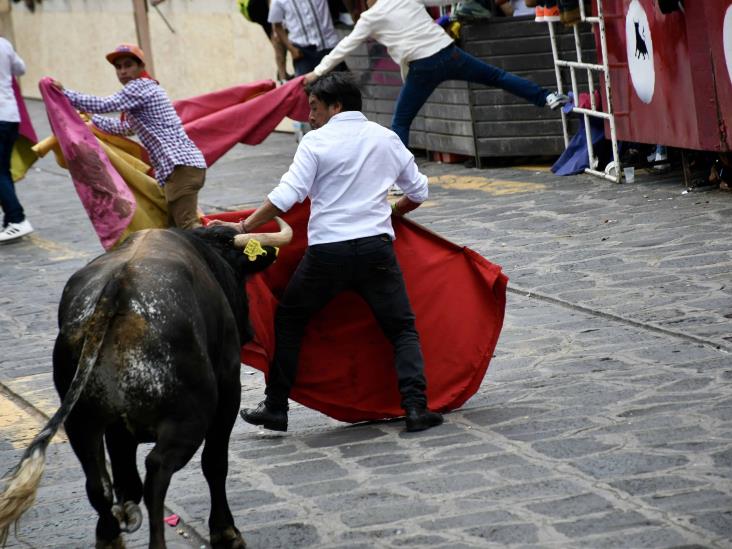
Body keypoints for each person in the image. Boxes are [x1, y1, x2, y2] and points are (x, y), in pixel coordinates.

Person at [217, 72, 443, 433]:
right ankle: (416, 408)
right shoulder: (386, 138)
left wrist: (244, 228)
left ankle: (276, 406)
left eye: (315, 107)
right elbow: (418, 191)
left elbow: (286, 196)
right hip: (375, 251)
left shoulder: (316, 142)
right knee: (401, 329)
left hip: (327, 255)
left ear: (336, 106)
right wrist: (392, 211)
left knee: (290, 322)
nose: (310, 116)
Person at [303, 0, 569, 148]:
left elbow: (345, 47)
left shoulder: (369, 18)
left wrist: (316, 72)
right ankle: (547, 98)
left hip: (423, 68)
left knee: (402, 122)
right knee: (498, 77)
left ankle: (396, 178)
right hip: (448, 53)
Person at [53, 44, 207, 229]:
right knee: (175, 229)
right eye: (118, 67)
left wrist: (64, 94)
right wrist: (92, 121)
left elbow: (105, 104)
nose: (123, 71)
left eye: (128, 65)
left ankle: (244, 248)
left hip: (181, 167)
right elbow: (126, 128)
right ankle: (235, 240)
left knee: (188, 228)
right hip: (178, 168)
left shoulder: (139, 87)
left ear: (141, 67)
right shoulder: (144, 89)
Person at [0, 37, 33, 243]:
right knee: (3, 170)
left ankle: (16, 219)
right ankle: (10, 221)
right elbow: (20, 69)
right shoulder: (4, 44)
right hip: (10, 116)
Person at [268, 0, 347, 76]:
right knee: (306, 86)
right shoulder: (278, 1)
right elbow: (277, 26)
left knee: (339, 84)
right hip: (302, 53)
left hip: (328, 45)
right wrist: (291, 49)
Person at [238, 0, 293, 82]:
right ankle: (283, 76)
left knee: (276, 37)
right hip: (257, 4)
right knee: (278, 34)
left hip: (248, 9)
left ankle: (282, 74)